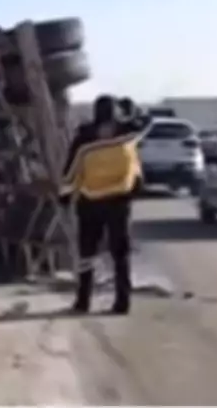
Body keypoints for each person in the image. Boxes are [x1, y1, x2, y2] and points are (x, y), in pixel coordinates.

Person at [60, 95, 151, 314]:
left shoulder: (84, 139)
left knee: (87, 254)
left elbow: (71, 170)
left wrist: (64, 195)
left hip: (90, 201)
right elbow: (148, 121)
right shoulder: (127, 134)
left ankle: (83, 301)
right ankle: (122, 302)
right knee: (120, 254)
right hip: (119, 202)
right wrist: (132, 111)